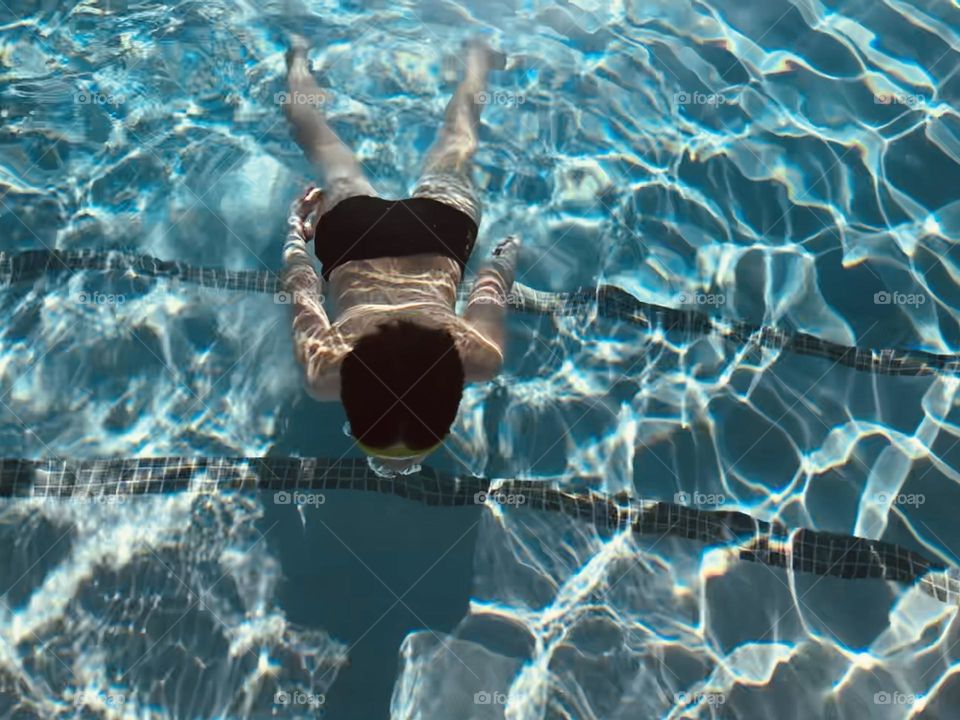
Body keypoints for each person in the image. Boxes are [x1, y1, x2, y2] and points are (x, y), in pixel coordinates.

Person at [279, 36, 520, 474]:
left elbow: (489, 290)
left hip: (440, 234)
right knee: (323, 146)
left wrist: (505, 259)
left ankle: (476, 62)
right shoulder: (324, 372)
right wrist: (296, 232)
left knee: (457, 145)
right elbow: (303, 289)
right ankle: (297, 59)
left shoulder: (480, 360)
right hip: (353, 239)